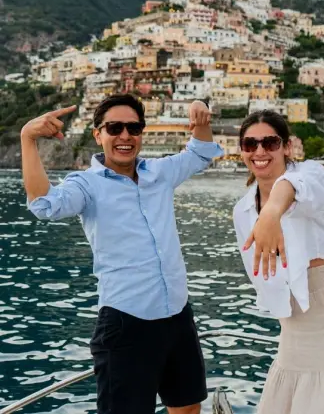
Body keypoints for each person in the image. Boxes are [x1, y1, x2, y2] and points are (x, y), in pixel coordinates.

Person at [21, 94, 223, 414]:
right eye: (114, 127)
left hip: (178, 318)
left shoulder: (160, 172)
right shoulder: (85, 185)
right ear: (98, 134)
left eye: (133, 127)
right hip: (127, 324)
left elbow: (200, 152)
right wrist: (28, 138)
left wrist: (200, 113)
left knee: (187, 408)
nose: (125, 136)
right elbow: (45, 205)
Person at [233, 110, 324, 414]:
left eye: (270, 142)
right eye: (250, 145)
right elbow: (263, 274)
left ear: (287, 147)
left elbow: (291, 188)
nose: (260, 151)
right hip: (297, 318)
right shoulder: (243, 210)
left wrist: (272, 213)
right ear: (242, 152)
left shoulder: (310, 174)